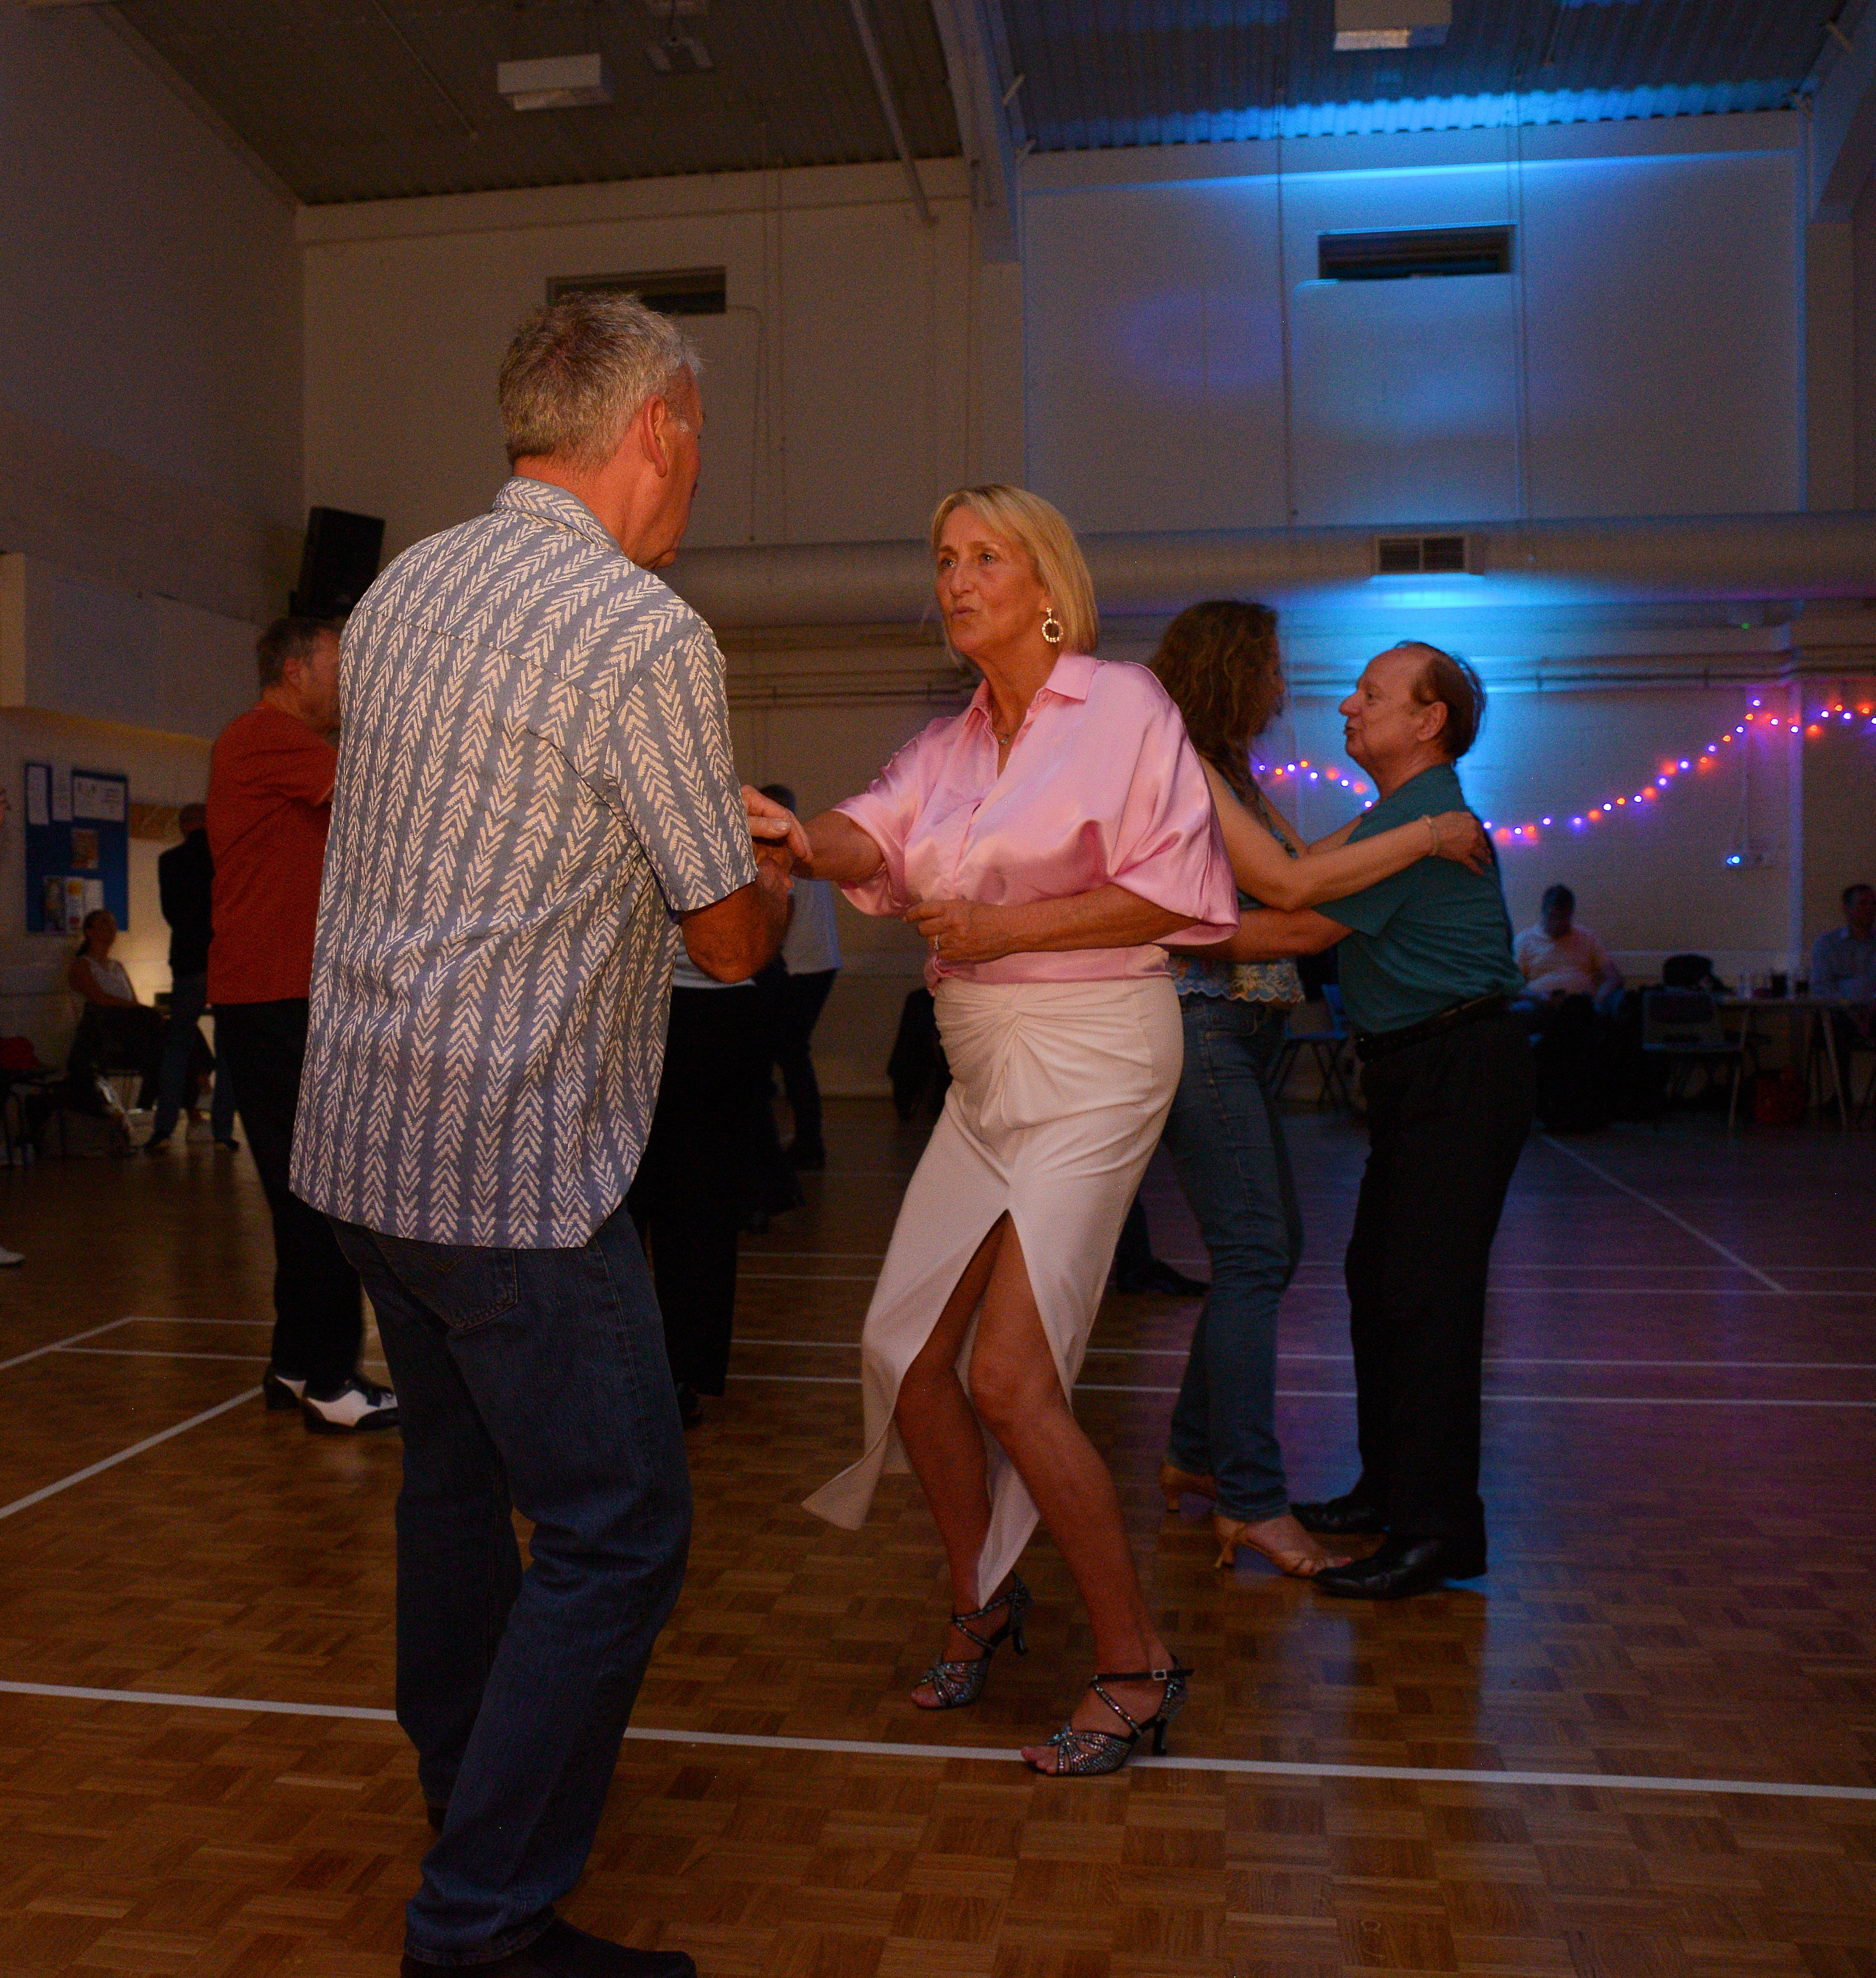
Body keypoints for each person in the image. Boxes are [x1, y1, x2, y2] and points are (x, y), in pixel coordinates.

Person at [796, 488, 1486, 1773]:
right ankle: (984, 1592)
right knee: (907, 1351)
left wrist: (1006, 926)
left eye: (984, 557)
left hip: (1098, 1053)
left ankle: (1136, 1660)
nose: (955, 579)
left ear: (1048, 584)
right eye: (942, 558)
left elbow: (1179, 893)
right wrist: (795, 837)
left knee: (1009, 1376)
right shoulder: (950, 742)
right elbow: (869, 830)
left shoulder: (1121, 707)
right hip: (983, 1062)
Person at [290, 292, 797, 1978]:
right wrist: (764, 863)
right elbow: (725, 944)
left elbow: (507, 825)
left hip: (364, 1137)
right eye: (696, 438)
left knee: (452, 1482)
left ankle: (469, 1795)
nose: (696, 468)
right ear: (655, 427)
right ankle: (483, 1913)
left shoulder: (404, 589)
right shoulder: (645, 632)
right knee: (620, 1525)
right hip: (508, 1157)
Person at [1149, 601, 1490, 1581]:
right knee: (1278, 1256)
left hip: (1315, 1042)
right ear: (1232, 671)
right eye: (1272, 667)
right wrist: (1424, 834)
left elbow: (1297, 875)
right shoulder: (1190, 768)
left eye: (1368, 693)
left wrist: (1414, 830)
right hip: (1216, 1026)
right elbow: (1296, 904)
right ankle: (1253, 1493)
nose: (1296, 692)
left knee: (1317, 1263)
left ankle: (1212, 1455)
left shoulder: (1231, 774)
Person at [1217, 643, 1534, 1601]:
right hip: (1425, 1070)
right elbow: (1293, 871)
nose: (1347, 707)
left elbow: (1296, 924)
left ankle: (1437, 1530)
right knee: (1383, 1281)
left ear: (1428, 720)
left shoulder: (1417, 818)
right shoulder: (1401, 818)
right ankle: (1390, 1489)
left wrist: (1139, 931)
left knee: (1426, 1298)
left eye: (1372, 694)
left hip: (1457, 1068)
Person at [208, 618, 398, 1436]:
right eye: (338, 666)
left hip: (274, 995)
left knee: (302, 1187)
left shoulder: (270, 745)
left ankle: (293, 1363)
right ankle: (329, 1378)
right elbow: (389, 788)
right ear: (294, 670)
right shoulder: (269, 737)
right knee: (325, 1189)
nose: (348, 683)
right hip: (279, 996)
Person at [626, 930, 771, 1429]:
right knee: (616, 1205)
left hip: (710, 1007)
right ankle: (628, 1369)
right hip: (627, 1003)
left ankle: (679, 1374)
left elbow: (770, 921)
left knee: (696, 1211)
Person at [759, 782, 842, 1170]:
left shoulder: (781, 850)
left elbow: (785, 907)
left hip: (800, 966)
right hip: (818, 962)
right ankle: (805, 1140)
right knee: (789, 1052)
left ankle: (807, 1143)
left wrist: (764, 955)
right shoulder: (804, 843)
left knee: (788, 1053)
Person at [147, 803, 238, 1152]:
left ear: (184, 826)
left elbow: (170, 912)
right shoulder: (225, 857)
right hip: (224, 959)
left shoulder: (170, 861)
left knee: (178, 1044)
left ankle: (164, 1128)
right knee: (227, 1044)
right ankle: (223, 1131)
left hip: (188, 960)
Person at [66, 909, 166, 1108]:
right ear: (90, 932)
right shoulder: (82, 965)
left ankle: (198, 1088)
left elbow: (132, 1001)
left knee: (176, 1035)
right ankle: (188, 1098)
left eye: (113, 923)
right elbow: (100, 999)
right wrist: (137, 1008)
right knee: (164, 1039)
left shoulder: (117, 966)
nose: (112, 928)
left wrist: (138, 1009)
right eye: (105, 923)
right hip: (105, 1031)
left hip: (130, 1028)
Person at [1513, 884, 1622, 1010]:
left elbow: (1613, 978)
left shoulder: (1587, 938)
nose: (1557, 923)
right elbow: (1513, 987)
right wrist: (1538, 998)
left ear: (1570, 915)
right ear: (1543, 912)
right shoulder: (1524, 941)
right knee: (1520, 1009)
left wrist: (1598, 1001)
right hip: (1538, 1007)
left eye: (1563, 917)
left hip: (1581, 1007)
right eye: (1552, 916)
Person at [1813, 883, 1876, 1005]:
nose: (1870, 909)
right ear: (1847, 908)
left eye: (1874, 904)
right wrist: (1849, 1006)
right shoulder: (1828, 944)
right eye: (1863, 903)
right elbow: (1821, 988)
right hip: (1840, 1012)